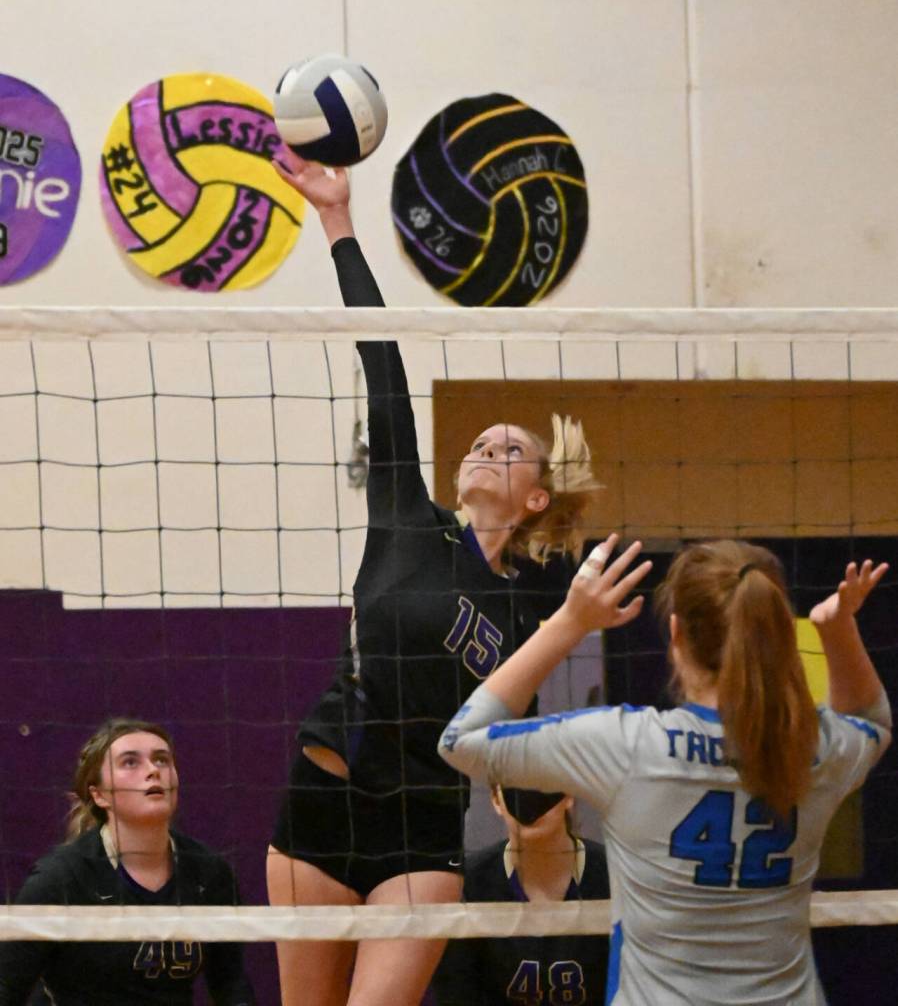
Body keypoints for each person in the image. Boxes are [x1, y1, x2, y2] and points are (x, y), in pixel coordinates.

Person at [266, 150, 602, 1006]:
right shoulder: (405, 519)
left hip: (423, 829)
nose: (489, 447)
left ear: (534, 496)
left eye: (512, 447)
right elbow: (382, 363)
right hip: (326, 800)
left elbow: (514, 744)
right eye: (479, 442)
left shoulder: (527, 608)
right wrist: (338, 221)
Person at [439, 536, 892, 1005]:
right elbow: (874, 723)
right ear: (774, 635)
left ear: (675, 635)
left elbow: (459, 742)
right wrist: (837, 630)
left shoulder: (631, 745)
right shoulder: (812, 748)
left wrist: (569, 623)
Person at [0, 718, 255, 1005]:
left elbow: (230, 984)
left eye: (162, 760)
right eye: (130, 763)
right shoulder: (60, 878)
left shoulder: (208, 874)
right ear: (99, 795)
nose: (152, 771)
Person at [431, 785, 610, 1005]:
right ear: (497, 801)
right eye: (513, 788)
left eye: (541, 784)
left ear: (569, 796)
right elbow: (456, 993)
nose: (529, 803)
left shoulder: (615, 879)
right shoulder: (468, 886)